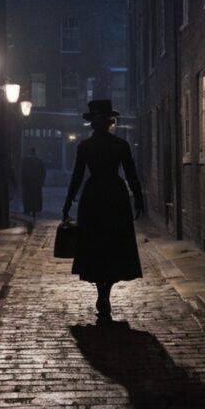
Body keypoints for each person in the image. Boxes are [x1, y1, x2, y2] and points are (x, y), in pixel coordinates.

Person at [62, 99, 145, 319]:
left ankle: (102, 292)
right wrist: (138, 198)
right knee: (113, 244)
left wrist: (68, 201)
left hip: (94, 196)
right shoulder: (120, 145)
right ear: (110, 121)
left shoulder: (85, 146)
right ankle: (105, 291)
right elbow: (131, 174)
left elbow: (77, 176)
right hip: (115, 196)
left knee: (95, 244)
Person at [21, 147, 46, 223]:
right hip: (36, 182)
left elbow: (23, 171)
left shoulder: (25, 161)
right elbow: (43, 172)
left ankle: (28, 209)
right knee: (36, 196)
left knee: (28, 196)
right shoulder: (39, 161)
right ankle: (35, 208)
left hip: (28, 182)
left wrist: (23, 181)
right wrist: (41, 181)